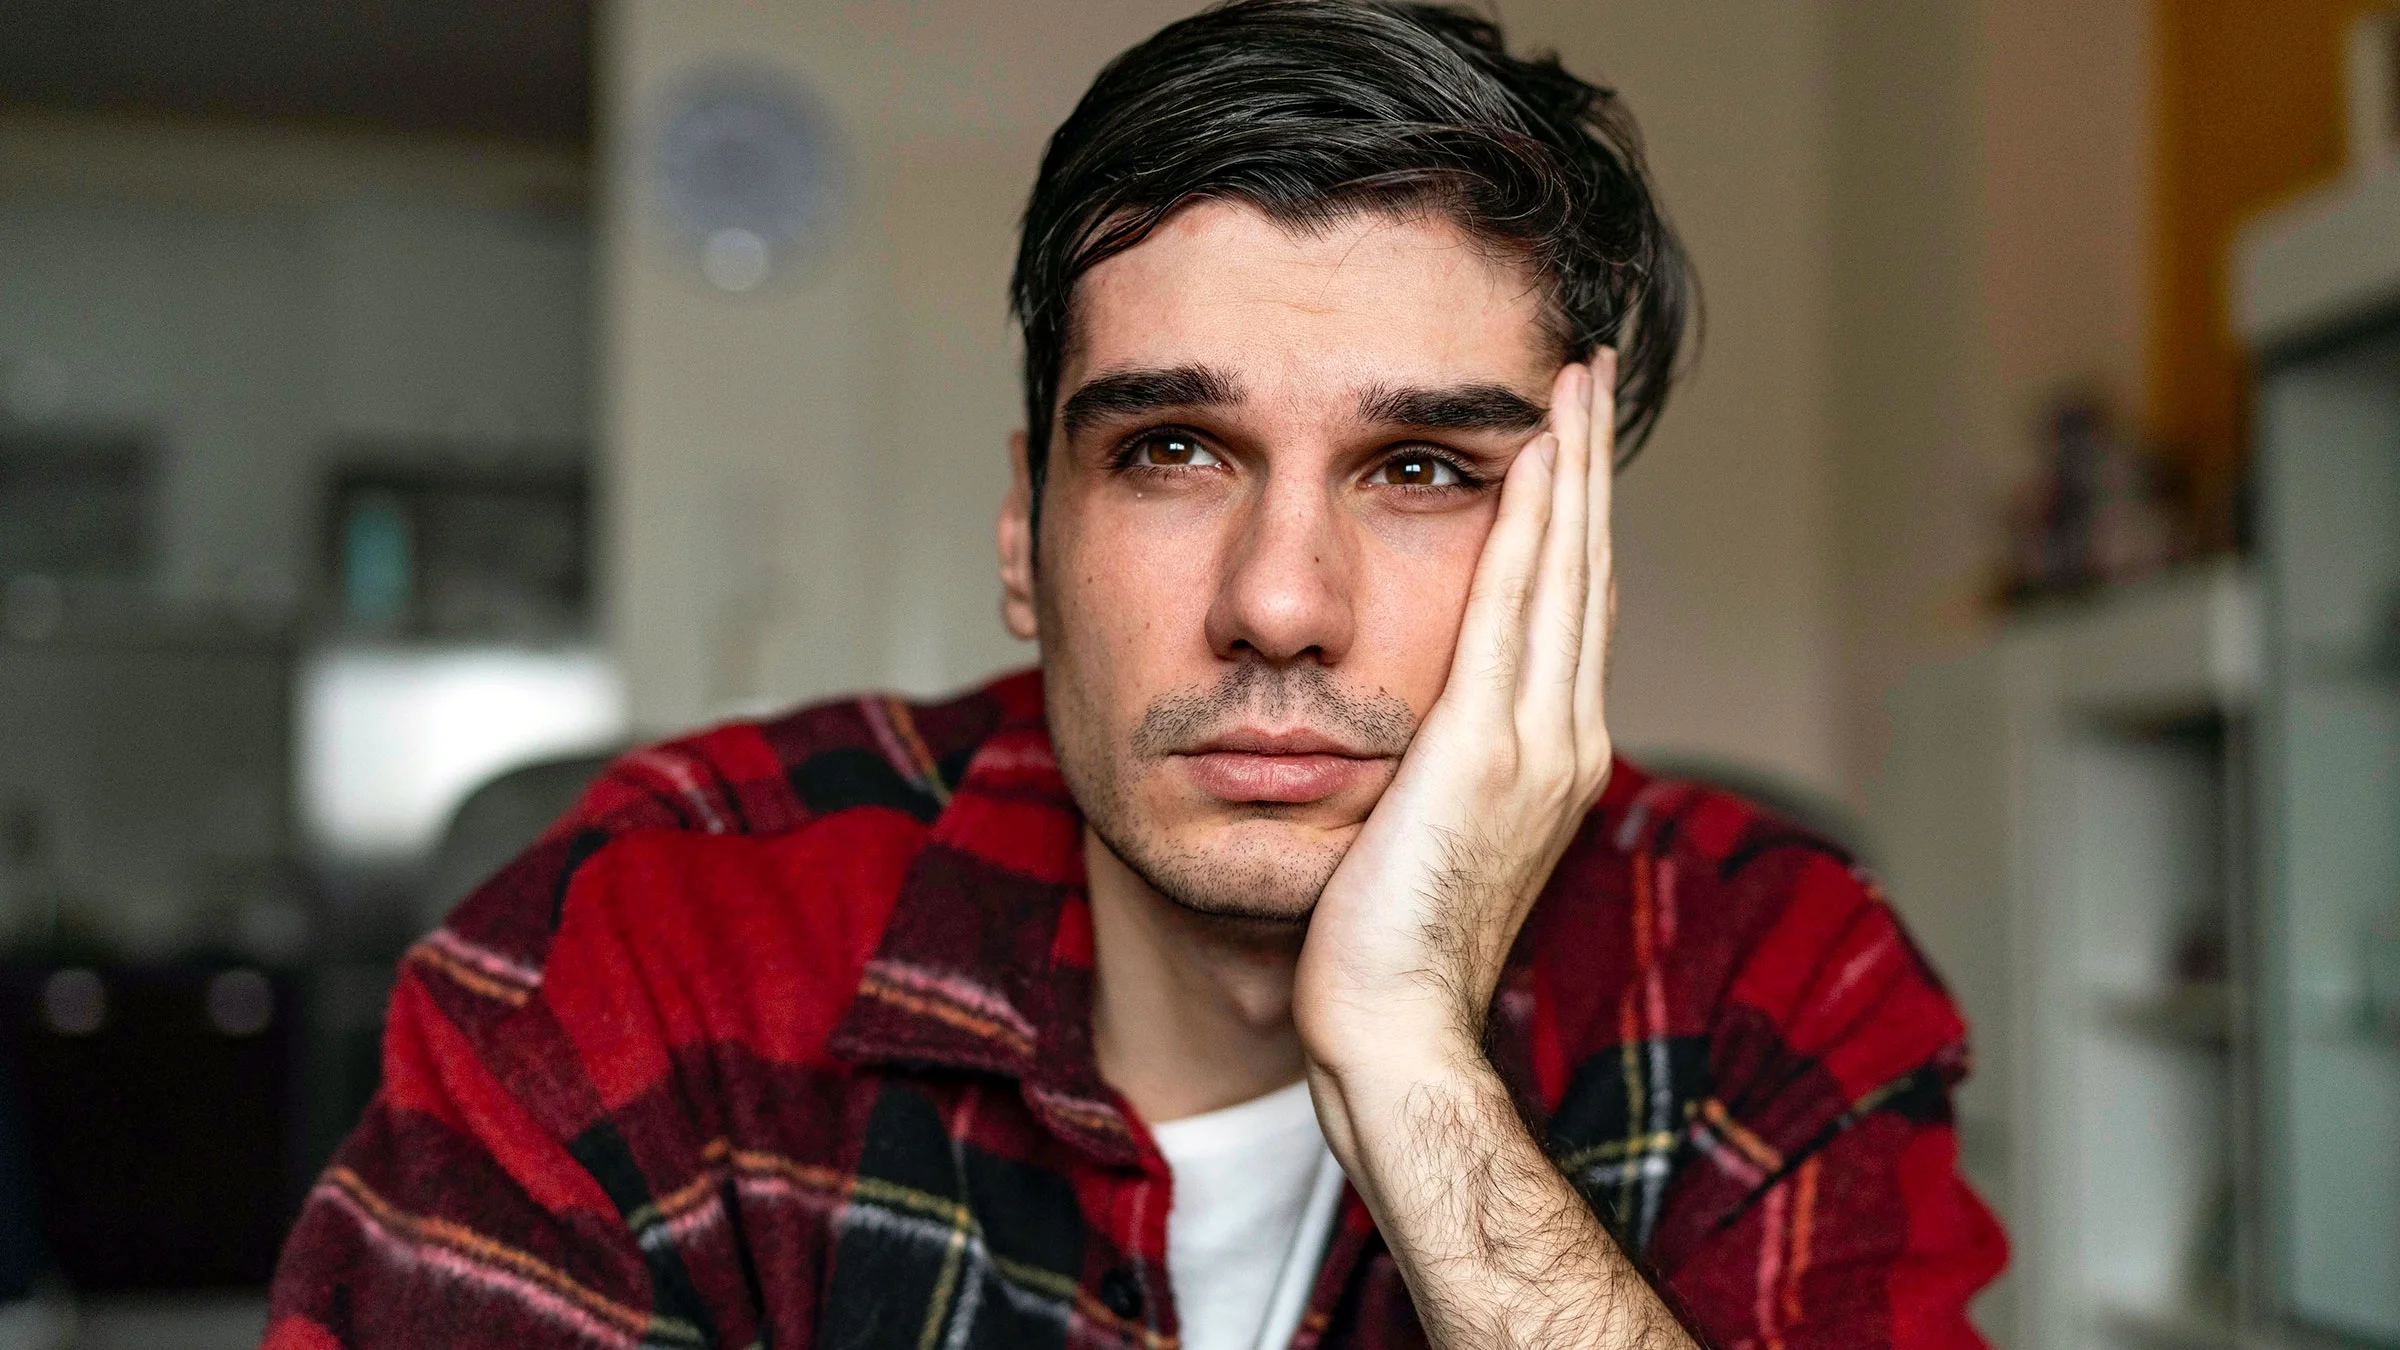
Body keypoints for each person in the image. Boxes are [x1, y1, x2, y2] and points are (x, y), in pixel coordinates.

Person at [264, 3, 2005, 1346]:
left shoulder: (1777, 977)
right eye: (1172, 449)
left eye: (1421, 469)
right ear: (1026, 530)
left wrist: (1415, 1068)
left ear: (1578, 560)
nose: (1280, 602)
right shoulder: (648, 936)